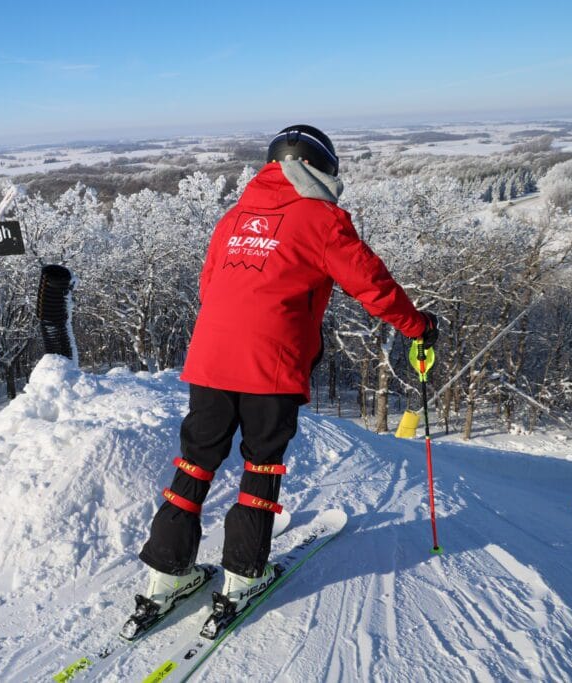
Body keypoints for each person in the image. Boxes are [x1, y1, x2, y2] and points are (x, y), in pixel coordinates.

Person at [124, 124, 439, 638]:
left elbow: (209, 286)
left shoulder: (233, 217)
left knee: (195, 463)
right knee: (261, 464)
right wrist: (418, 326)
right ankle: (242, 578)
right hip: (269, 365)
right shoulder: (322, 219)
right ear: (319, 168)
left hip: (210, 359)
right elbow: (373, 285)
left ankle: (165, 575)